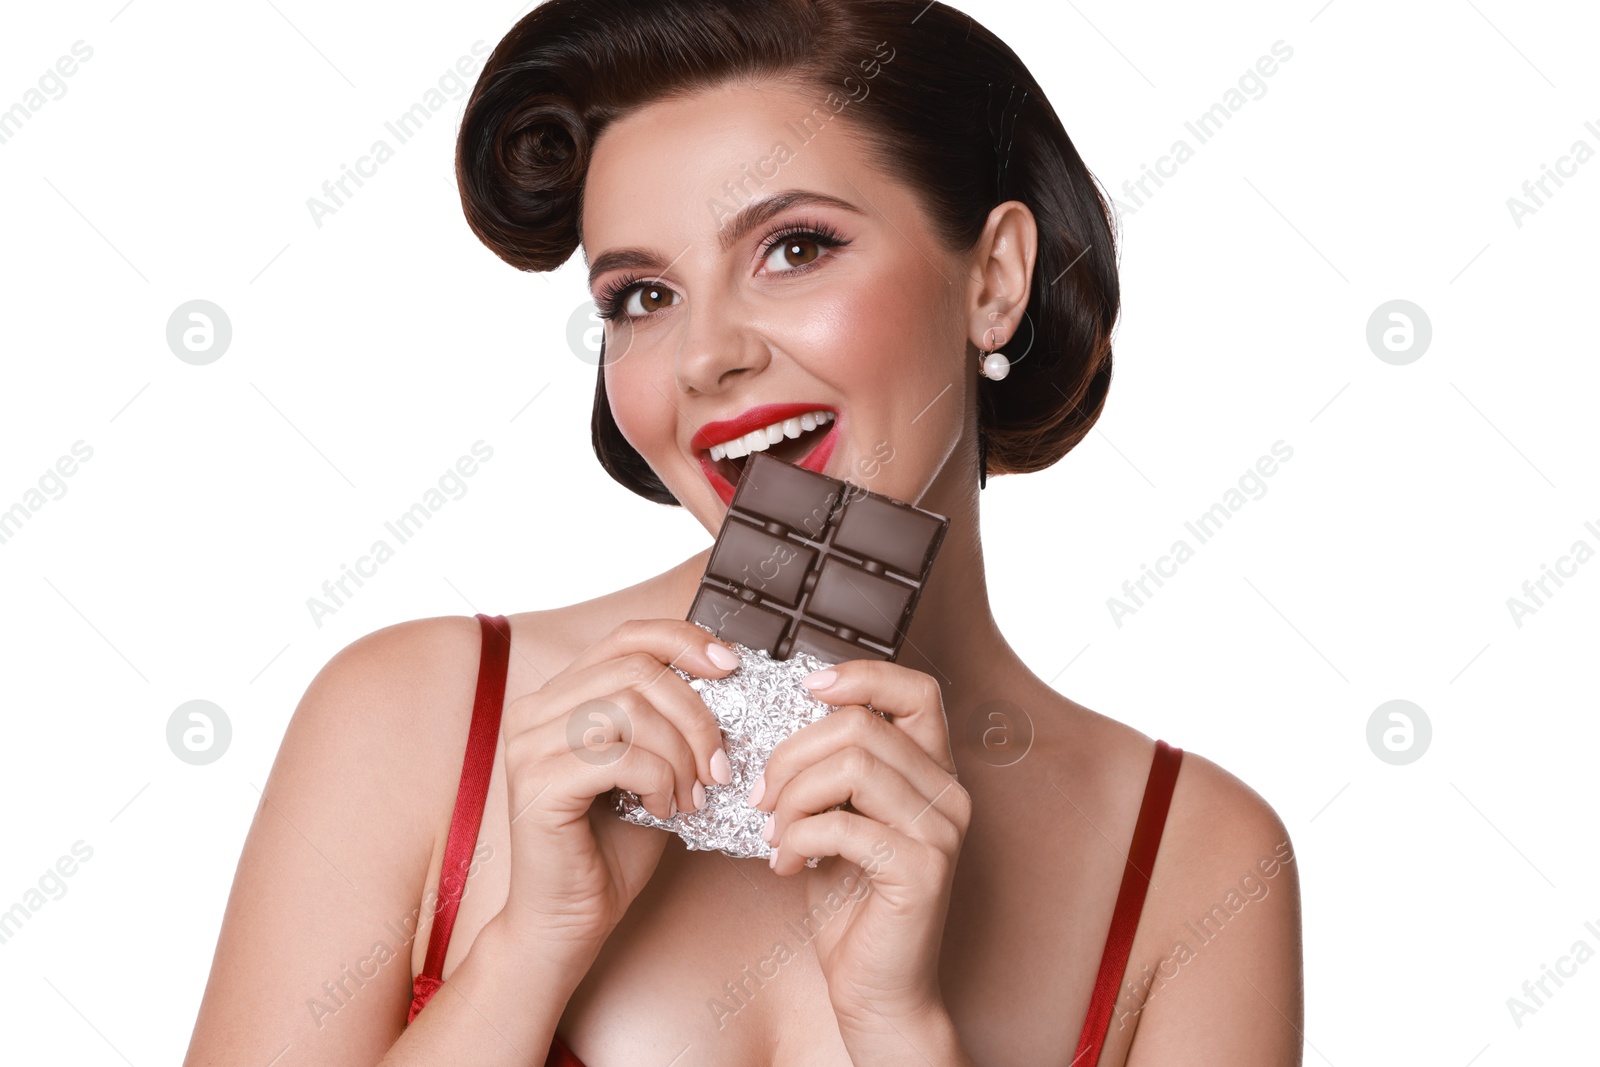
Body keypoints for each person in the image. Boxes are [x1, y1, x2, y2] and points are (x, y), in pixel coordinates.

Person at [183, 1, 1303, 1064]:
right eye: (641, 296)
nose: (705, 354)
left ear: (995, 280)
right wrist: (529, 948)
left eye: (796, 247)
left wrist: (900, 1023)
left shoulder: (1196, 863)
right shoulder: (416, 717)